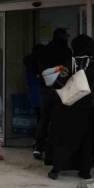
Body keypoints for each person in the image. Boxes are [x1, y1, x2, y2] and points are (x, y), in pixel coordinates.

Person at [46, 34, 94, 180]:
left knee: (62, 135)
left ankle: (57, 168)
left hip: (67, 105)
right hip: (86, 104)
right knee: (85, 137)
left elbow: (59, 82)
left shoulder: (70, 62)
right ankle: (85, 169)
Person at [32, 29, 73, 160]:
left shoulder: (44, 50)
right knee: (60, 119)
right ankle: (55, 149)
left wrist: (40, 75)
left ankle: (38, 147)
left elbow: (30, 61)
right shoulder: (66, 51)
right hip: (61, 88)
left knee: (44, 119)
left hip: (45, 88)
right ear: (64, 38)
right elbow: (67, 70)